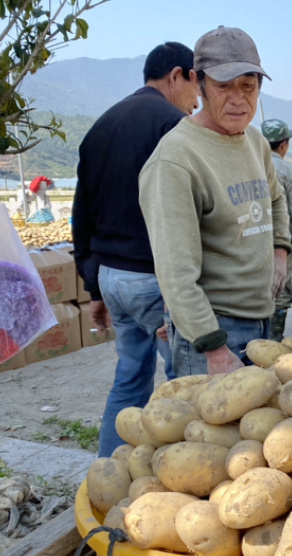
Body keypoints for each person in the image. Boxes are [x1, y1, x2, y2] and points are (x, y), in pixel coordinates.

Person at [139, 26, 292, 378]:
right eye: (224, 86)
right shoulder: (176, 158)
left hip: (261, 321)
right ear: (198, 82)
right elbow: (176, 274)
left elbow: (276, 200)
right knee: (210, 431)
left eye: (248, 86)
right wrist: (213, 346)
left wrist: (279, 250)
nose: (239, 99)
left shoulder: (254, 141)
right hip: (214, 334)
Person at [72, 42, 199, 457]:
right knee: (186, 385)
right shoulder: (173, 126)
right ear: (178, 75)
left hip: (112, 277)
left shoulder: (101, 126)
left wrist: (94, 287)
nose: (197, 102)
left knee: (129, 377)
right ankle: (179, 479)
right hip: (153, 278)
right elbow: (187, 214)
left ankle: (107, 471)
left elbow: (82, 215)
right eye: (197, 86)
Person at [261, 118, 292, 341]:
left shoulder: (251, 165)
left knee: (258, 291)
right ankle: (274, 340)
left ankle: (256, 341)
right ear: (284, 145)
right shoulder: (288, 171)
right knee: (280, 291)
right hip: (282, 243)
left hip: (254, 244)